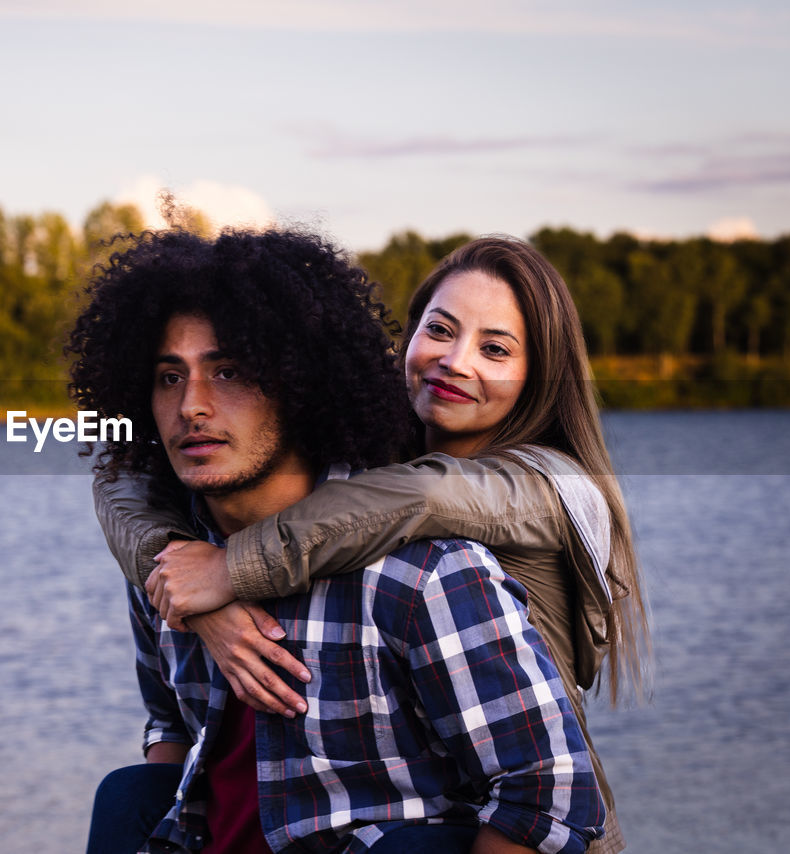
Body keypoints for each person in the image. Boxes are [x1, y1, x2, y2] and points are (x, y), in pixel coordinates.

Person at [92, 235, 649, 854]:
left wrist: (229, 573)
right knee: (128, 799)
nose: (455, 361)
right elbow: (125, 486)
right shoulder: (372, 454)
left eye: (494, 348)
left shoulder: (542, 489)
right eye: (439, 330)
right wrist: (185, 587)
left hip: (530, 820)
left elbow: (420, 502)